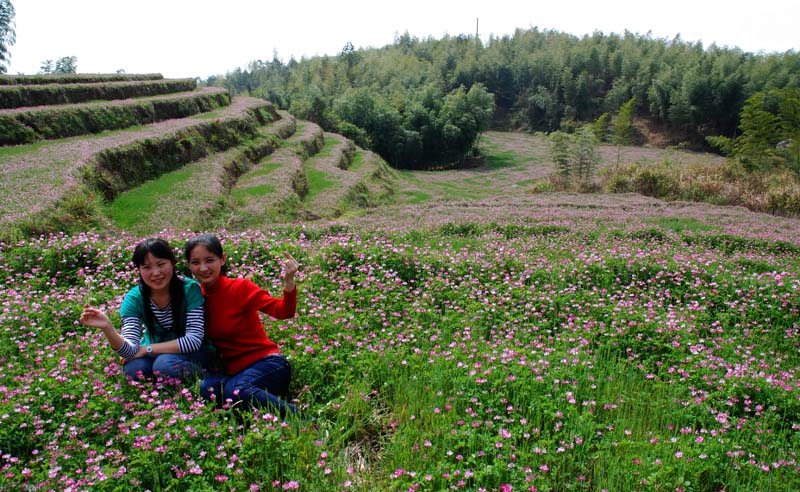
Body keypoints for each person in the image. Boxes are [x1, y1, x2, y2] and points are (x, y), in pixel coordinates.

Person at [184, 233, 299, 418]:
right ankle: (247, 422)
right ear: (189, 266)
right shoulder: (195, 297)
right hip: (235, 373)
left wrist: (289, 282)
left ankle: (304, 421)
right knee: (206, 388)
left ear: (222, 260)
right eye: (195, 262)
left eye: (209, 260)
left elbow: (283, 311)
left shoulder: (240, 287)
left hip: (268, 364)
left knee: (235, 391)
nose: (203, 268)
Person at [79, 237, 213, 381]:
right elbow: (130, 351)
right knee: (134, 369)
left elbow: (193, 341)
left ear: (173, 263)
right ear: (139, 269)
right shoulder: (134, 298)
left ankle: (208, 378)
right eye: (147, 267)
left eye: (161, 264)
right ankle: (164, 381)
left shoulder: (189, 289)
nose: (155, 273)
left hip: (193, 351)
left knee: (164, 365)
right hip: (153, 352)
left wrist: (147, 349)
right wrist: (108, 328)